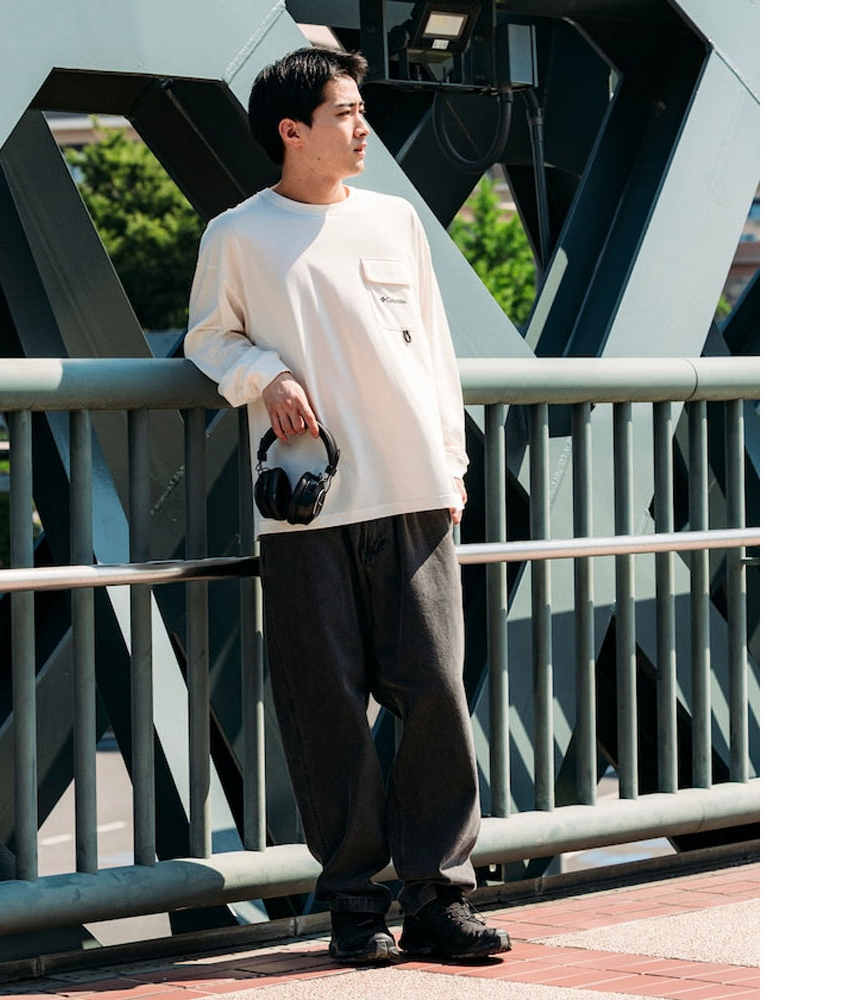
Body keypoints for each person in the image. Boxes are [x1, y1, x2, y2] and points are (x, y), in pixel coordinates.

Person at [184, 45, 510, 964]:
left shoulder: (395, 220)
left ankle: (440, 899)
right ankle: (357, 910)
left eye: (362, 110)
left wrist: (450, 466)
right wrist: (265, 373)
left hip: (413, 493)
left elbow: (435, 352)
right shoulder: (238, 236)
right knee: (326, 708)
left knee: (436, 695)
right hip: (309, 510)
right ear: (293, 131)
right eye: (345, 113)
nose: (363, 127)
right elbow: (208, 337)